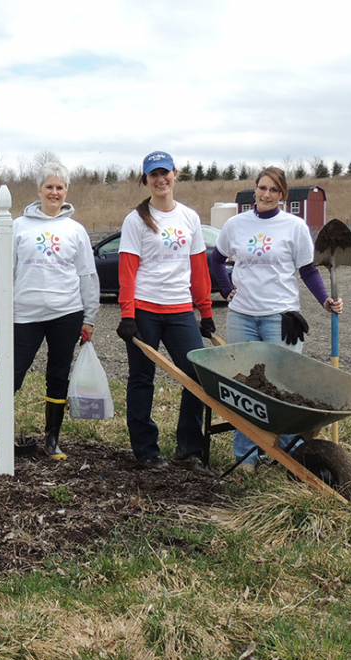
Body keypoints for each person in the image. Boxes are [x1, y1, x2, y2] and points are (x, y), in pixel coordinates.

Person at [210, 166, 343, 472]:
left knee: (281, 388)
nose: (266, 194)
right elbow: (217, 261)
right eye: (262, 188)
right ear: (254, 190)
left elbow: (307, 269)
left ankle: (292, 456)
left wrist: (324, 300)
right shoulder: (235, 225)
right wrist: (227, 288)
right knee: (244, 386)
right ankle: (246, 457)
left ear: (282, 195)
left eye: (273, 190)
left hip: (279, 317)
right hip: (242, 315)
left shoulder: (294, 227)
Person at [0, 161, 100, 462]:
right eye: (49, 187)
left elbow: (87, 276)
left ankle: (52, 440)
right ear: (39, 190)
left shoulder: (75, 230)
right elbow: (2, 270)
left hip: (67, 314)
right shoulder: (17, 226)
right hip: (24, 315)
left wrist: (89, 317)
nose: (55, 192)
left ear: (66, 191)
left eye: (60, 187)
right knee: (11, 376)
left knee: (57, 376)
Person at [116, 151, 214, 471]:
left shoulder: (189, 217)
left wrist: (206, 311)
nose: (160, 180)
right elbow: (128, 272)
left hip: (180, 310)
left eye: (165, 173)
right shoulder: (135, 220)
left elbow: (198, 268)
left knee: (197, 376)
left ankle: (188, 447)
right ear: (146, 180)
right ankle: (146, 449)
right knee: (142, 378)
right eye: (153, 175)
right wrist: (128, 315)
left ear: (175, 174)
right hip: (145, 310)